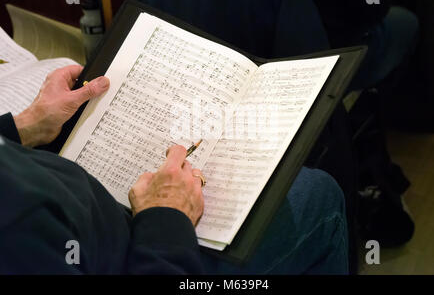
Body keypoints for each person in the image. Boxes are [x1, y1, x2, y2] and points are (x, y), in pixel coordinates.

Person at [0, 65, 348, 274]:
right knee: (318, 195)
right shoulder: (14, 228)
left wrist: (23, 128)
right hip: (152, 255)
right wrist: (166, 218)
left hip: (121, 227)